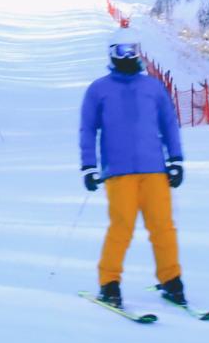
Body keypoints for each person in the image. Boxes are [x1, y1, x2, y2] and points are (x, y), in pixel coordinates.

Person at [78, 40, 188, 308]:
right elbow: (88, 129)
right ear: (112, 54)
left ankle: (171, 281)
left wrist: (176, 160)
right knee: (122, 227)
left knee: (163, 227)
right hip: (118, 172)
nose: (127, 56)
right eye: (121, 51)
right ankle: (109, 283)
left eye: (131, 51)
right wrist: (89, 166)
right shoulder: (99, 89)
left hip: (154, 170)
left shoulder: (152, 87)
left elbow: (169, 124)